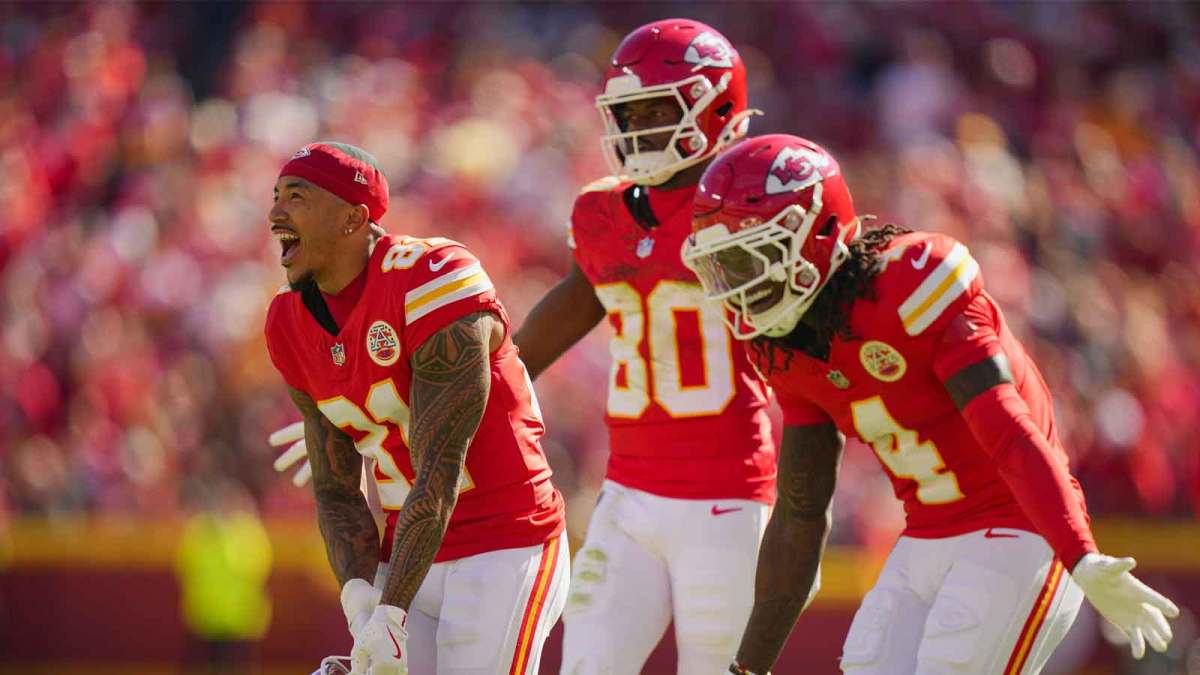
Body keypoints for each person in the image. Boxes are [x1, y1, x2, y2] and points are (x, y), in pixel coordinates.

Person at [681, 134, 1180, 674]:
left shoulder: (912, 284)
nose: (738, 286)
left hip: (1018, 525)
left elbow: (1010, 430)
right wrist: (746, 669)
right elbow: (800, 513)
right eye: (725, 266)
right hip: (923, 536)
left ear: (815, 233)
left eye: (749, 259)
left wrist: (1079, 553)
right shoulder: (785, 344)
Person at [511, 19, 776, 674]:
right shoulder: (602, 214)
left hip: (727, 498)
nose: (639, 128)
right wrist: (443, 401)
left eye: (658, 110)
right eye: (630, 113)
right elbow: (553, 325)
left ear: (717, 108)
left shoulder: (750, 211)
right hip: (628, 494)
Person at [262, 142, 568, 675]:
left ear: (352, 218)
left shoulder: (432, 277)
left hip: (504, 540)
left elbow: (439, 471)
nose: (275, 213)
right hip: (408, 551)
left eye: (297, 197)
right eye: (276, 196)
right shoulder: (288, 322)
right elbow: (337, 492)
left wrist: (391, 613)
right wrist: (360, 599)